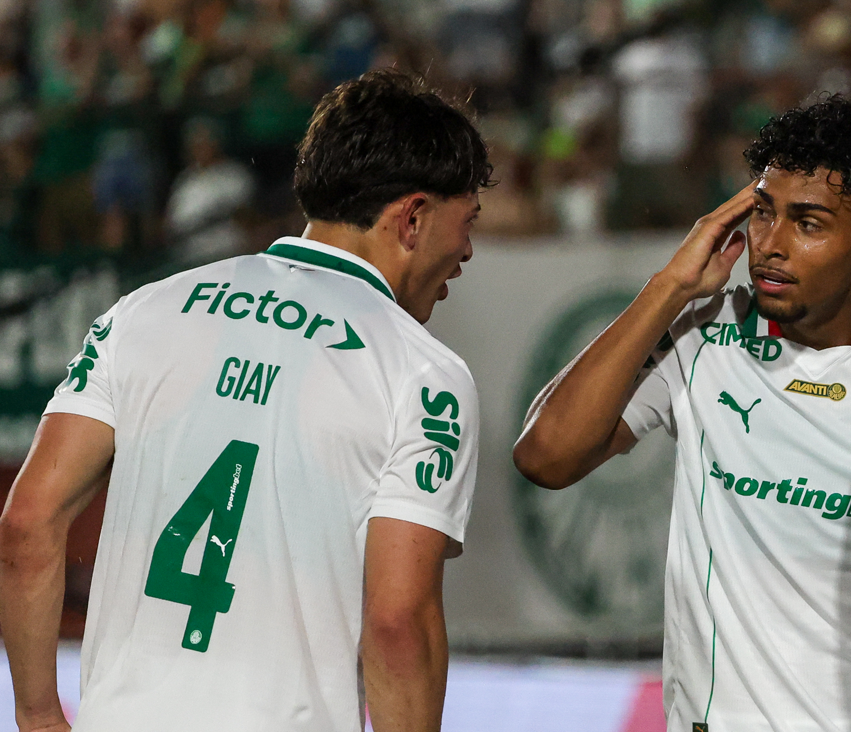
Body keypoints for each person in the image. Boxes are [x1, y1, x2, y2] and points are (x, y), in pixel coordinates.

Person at [0, 70, 492, 732]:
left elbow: (27, 524)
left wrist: (35, 714)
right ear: (411, 217)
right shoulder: (424, 375)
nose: (465, 251)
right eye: (467, 223)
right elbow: (397, 622)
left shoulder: (145, 312)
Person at [514, 94, 851, 732]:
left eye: (809, 223)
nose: (771, 245)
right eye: (763, 214)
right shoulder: (708, 332)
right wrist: (669, 288)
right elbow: (546, 455)